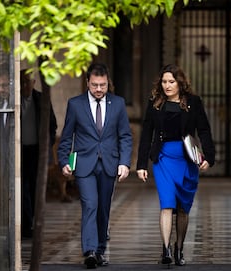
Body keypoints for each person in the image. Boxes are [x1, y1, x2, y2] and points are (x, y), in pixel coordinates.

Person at [136, 64, 215, 267]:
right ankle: (166, 249)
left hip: (186, 158)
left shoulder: (193, 102)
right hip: (163, 158)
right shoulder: (155, 102)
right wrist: (141, 164)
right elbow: (147, 133)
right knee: (166, 203)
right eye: (164, 82)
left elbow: (204, 129)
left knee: (182, 208)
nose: (167, 86)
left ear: (180, 83)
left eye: (171, 82)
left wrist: (208, 157)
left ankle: (179, 247)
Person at [57, 63, 133, 269]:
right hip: (84, 165)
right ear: (87, 83)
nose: (99, 89)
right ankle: (89, 251)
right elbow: (66, 137)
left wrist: (125, 163)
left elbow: (125, 136)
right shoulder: (75, 104)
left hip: (109, 164)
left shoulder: (117, 104)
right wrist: (64, 161)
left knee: (103, 209)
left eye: (103, 85)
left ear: (108, 83)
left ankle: (99, 251)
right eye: (94, 85)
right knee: (90, 204)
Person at [20, 69, 57, 238]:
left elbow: (52, 124)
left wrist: (47, 147)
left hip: (36, 151)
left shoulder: (42, 99)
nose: (25, 85)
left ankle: (34, 220)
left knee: (35, 187)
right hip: (20, 151)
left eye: (28, 81)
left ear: (34, 83)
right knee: (22, 188)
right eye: (22, 82)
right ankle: (26, 224)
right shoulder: (14, 101)